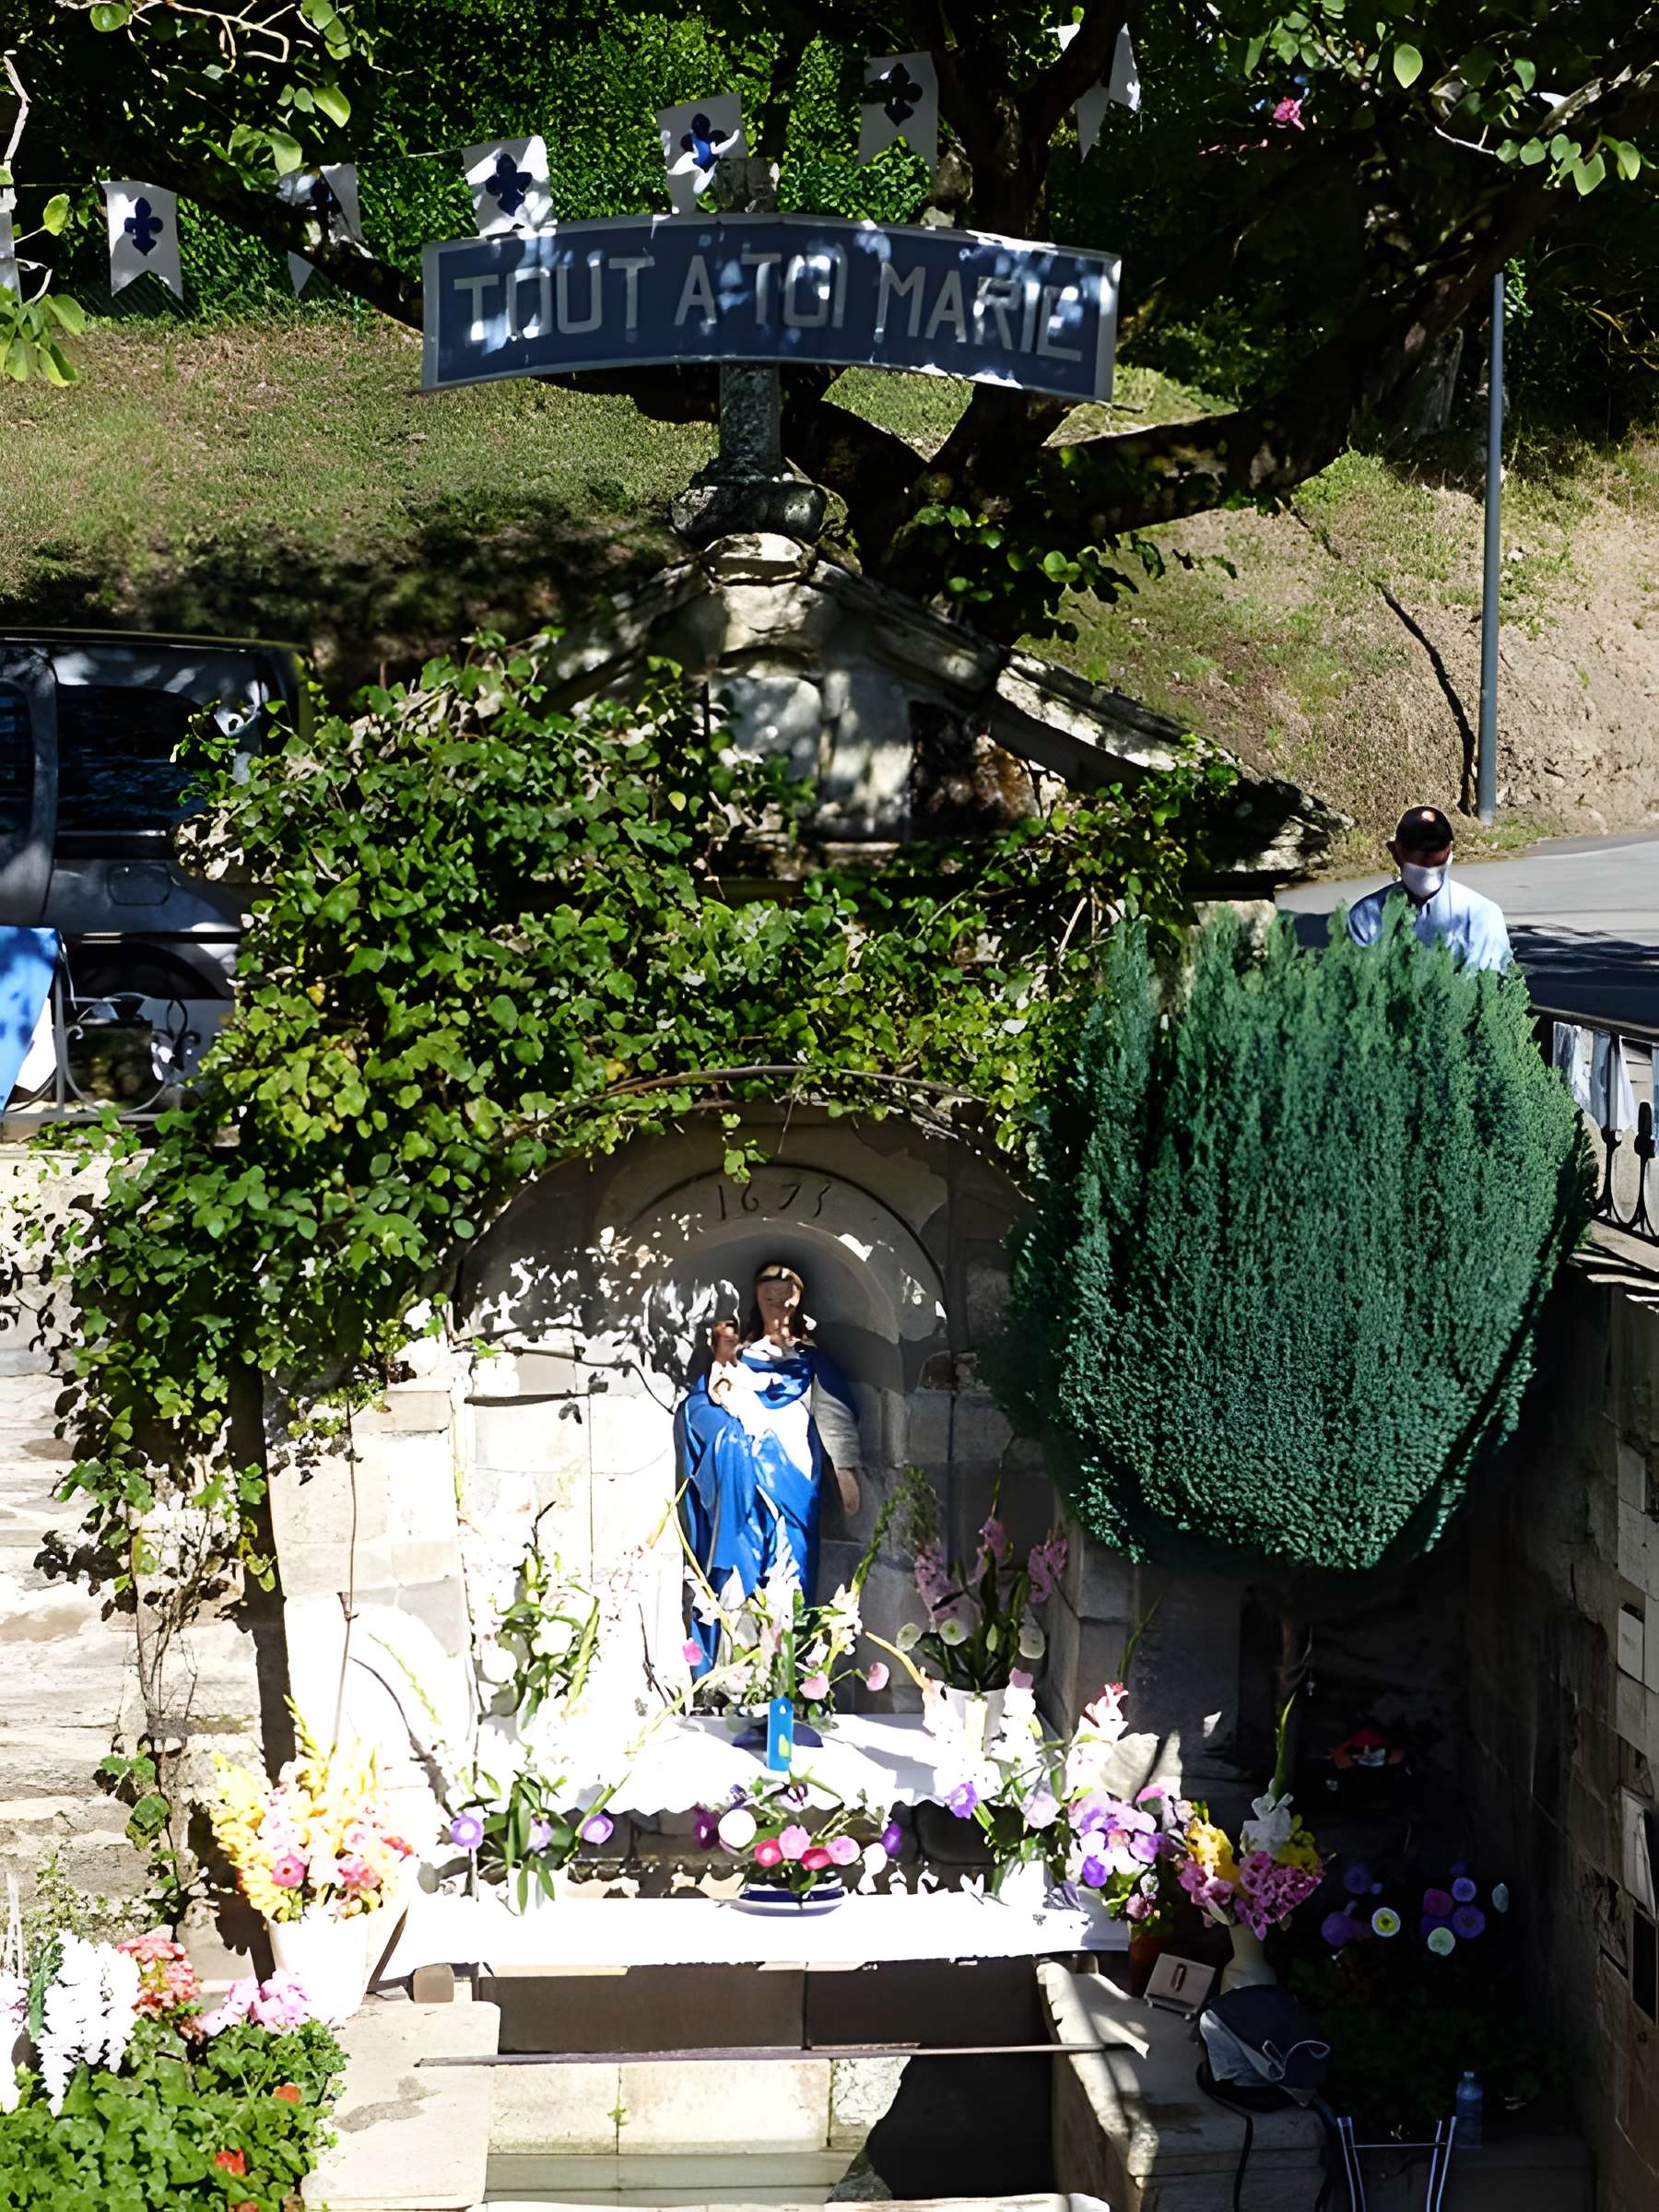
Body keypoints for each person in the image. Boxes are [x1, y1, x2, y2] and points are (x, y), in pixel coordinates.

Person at [678, 1262, 862, 1676]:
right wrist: (729, 1437)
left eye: (786, 1296)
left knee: (787, 1573)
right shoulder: (740, 1356)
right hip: (741, 1482)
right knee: (739, 1571)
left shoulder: (809, 1360)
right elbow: (702, 1405)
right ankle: (735, 1674)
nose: (778, 1303)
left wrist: (846, 1471)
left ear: (799, 1300)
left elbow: (833, 1415)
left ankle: (782, 1675)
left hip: (793, 1479)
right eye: (769, 1295)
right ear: (757, 1300)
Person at [1345, 806, 1512, 971]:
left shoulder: (1481, 915)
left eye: (1435, 847)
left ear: (1449, 852)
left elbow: (1492, 982)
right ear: (1395, 852)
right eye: (1415, 847)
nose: (1426, 857)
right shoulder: (1366, 915)